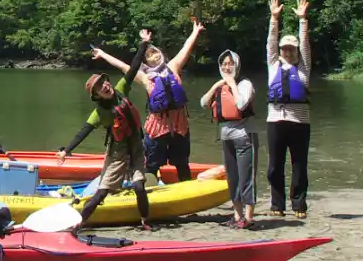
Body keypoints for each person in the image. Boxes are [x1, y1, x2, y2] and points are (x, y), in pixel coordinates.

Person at [91, 17, 203, 184]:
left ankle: (185, 196)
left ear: (161, 54)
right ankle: (149, 196)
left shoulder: (173, 67)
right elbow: (123, 66)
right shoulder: (145, 78)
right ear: (145, 61)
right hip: (158, 128)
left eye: (155, 52)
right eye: (149, 55)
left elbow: (186, 48)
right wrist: (102, 54)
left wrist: (195, 31)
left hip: (180, 126)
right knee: (151, 165)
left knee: (182, 164)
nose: (154, 56)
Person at [55, 47, 153, 231]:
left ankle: (144, 221)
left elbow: (132, 69)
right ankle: (79, 222)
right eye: (99, 88)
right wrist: (66, 151)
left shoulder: (121, 89)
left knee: (139, 186)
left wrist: (144, 44)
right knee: (102, 192)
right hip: (118, 152)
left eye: (104, 83)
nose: (105, 87)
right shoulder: (99, 112)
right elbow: (84, 131)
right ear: (96, 95)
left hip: (136, 146)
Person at [200, 49, 258, 229]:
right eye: (224, 64)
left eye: (230, 63)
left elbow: (241, 104)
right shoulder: (220, 85)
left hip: (244, 136)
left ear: (237, 65)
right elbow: (203, 103)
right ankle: (237, 215)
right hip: (227, 137)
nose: (227, 66)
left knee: (246, 177)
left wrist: (232, 84)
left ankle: (248, 218)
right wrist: (216, 85)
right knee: (232, 177)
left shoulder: (245, 84)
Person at [266, 0, 313, 218]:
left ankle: (299, 205)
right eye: (285, 49)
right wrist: (274, 18)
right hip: (275, 121)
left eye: (291, 49)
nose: (288, 52)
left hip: (300, 123)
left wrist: (303, 20)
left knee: (299, 165)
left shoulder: (303, 69)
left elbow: (305, 44)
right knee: (275, 166)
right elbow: (270, 43)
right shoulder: (274, 65)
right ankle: (277, 205)